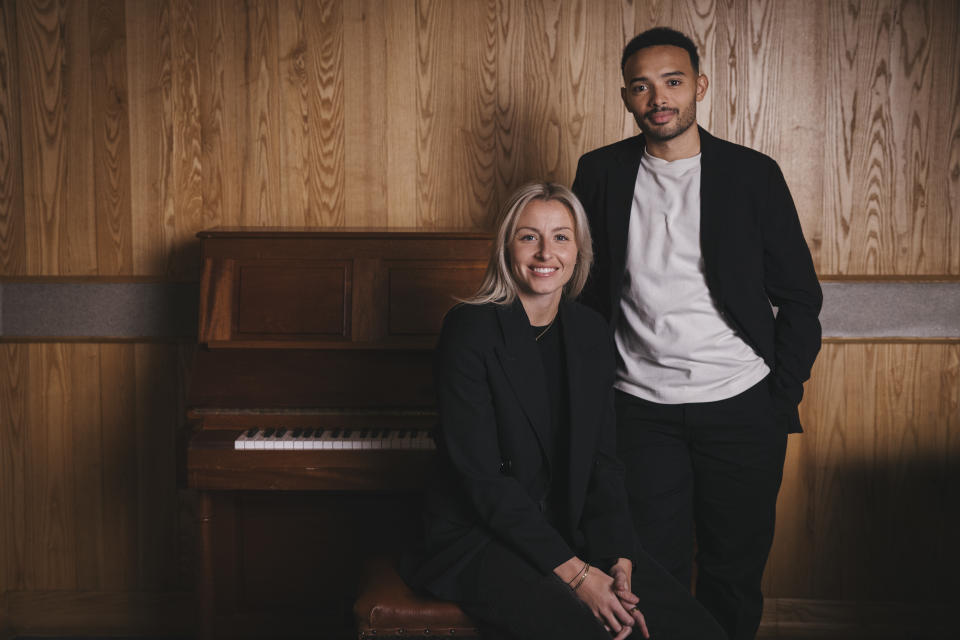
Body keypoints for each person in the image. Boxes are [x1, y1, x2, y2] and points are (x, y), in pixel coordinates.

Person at [571, 27, 823, 640]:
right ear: (627, 98)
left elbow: (799, 297)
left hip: (741, 407)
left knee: (732, 575)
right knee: (646, 572)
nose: (659, 97)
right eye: (642, 86)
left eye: (673, 82)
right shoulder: (600, 172)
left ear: (699, 87)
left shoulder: (752, 174)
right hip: (637, 410)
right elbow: (581, 292)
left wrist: (778, 397)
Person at [401, 182, 726, 640]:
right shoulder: (470, 330)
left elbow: (604, 462)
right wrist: (577, 576)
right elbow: (482, 481)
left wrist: (618, 558)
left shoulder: (589, 331)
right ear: (507, 247)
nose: (544, 253)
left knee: (696, 632)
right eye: (529, 236)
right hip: (478, 537)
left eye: (560, 237)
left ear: (578, 250)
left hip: (571, 528)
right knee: (587, 632)